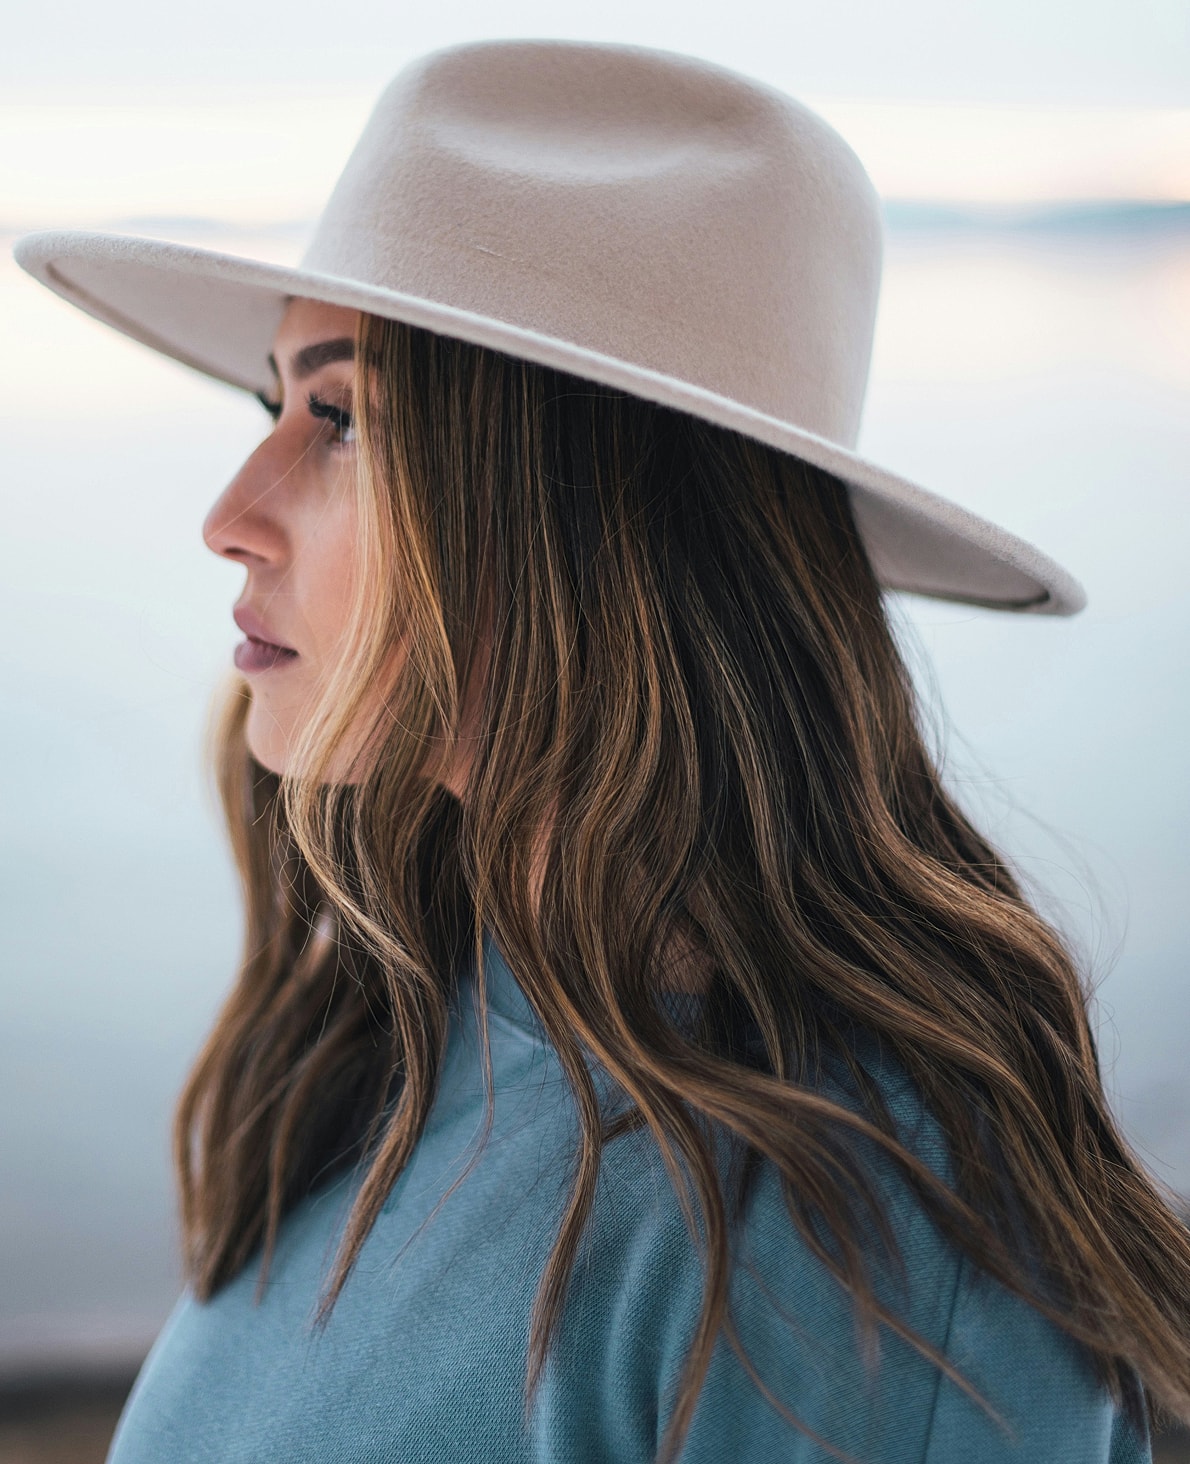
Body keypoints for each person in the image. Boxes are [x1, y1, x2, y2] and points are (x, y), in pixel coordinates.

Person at [15, 38, 1190, 1464]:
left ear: (587, 525)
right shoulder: (405, 1018)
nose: (230, 511)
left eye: (337, 417)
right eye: (274, 405)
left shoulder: (849, 1260)